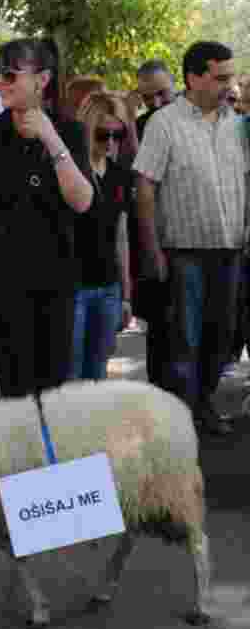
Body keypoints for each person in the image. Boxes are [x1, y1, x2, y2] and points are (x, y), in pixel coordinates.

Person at [0, 38, 94, 398]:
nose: (1, 83)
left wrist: (50, 138)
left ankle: (49, 455)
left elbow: (82, 202)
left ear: (42, 79)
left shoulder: (70, 131)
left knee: (53, 392)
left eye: (10, 74)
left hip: (56, 285)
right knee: (9, 394)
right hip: (0, 284)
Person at [132, 41, 246, 436]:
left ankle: (205, 404)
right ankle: (181, 420)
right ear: (194, 77)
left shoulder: (237, 123)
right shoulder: (164, 124)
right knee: (184, 341)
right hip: (183, 252)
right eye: (221, 77)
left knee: (223, 336)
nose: (228, 85)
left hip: (231, 250)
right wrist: (152, 251)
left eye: (230, 76)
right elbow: (144, 188)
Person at [70, 92, 136, 379]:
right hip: (72, 288)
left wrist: (126, 294)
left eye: (117, 135)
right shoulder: (69, 171)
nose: (110, 143)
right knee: (69, 375)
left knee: (97, 374)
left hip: (108, 287)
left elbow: (121, 236)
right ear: (87, 130)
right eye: (102, 134)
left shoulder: (120, 174)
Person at [129, 60, 178, 387]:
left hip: (196, 240)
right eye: (149, 98)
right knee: (161, 329)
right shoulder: (141, 127)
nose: (157, 103)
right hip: (154, 241)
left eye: (162, 93)